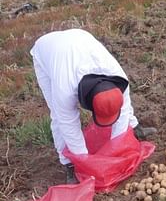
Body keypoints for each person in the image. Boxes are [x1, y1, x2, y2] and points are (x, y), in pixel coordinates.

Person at [30, 29, 157, 184]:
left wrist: (119, 148)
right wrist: (85, 164)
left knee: (124, 113)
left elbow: (123, 109)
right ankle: (68, 164)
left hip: (80, 38)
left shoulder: (118, 76)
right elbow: (68, 125)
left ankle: (135, 128)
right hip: (47, 50)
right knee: (58, 115)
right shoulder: (65, 89)